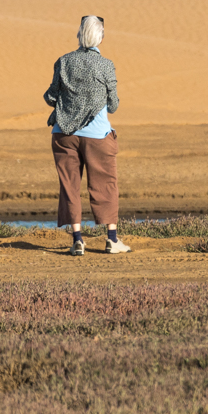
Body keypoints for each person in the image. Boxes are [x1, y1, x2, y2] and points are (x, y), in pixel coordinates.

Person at [45, 15, 131, 256]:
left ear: (79, 35)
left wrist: (69, 102)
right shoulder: (106, 64)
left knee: (69, 186)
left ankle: (77, 240)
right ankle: (112, 240)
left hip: (64, 134)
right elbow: (113, 104)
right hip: (97, 136)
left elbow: (51, 96)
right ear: (101, 37)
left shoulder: (63, 61)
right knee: (106, 184)